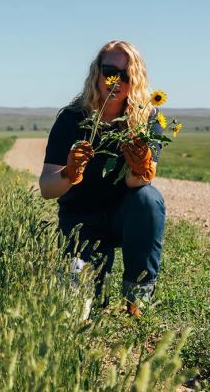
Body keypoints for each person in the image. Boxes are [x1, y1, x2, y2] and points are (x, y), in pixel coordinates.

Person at [39, 40, 166, 316]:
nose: (115, 80)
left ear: (136, 80)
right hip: (81, 221)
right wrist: (69, 173)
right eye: (109, 71)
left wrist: (140, 165)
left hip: (124, 217)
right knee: (77, 309)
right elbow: (47, 188)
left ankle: (137, 301)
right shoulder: (71, 119)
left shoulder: (147, 119)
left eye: (125, 75)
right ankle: (95, 290)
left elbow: (137, 184)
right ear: (96, 72)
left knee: (149, 199)